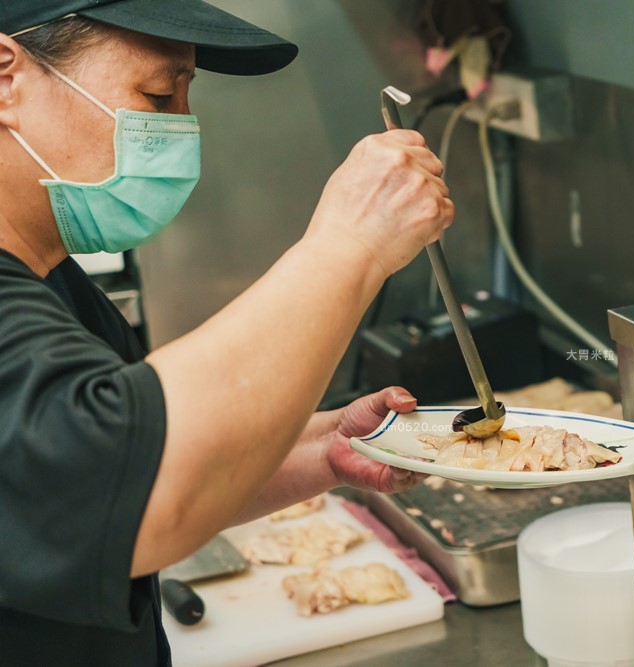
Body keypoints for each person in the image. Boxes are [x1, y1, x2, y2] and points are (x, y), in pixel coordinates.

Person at [0, 1, 455, 664]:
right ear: (6, 80)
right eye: (157, 94)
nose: (180, 127)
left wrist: (322, 447)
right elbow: (129, 493)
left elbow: (150, 455)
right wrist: (351, 243)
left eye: (187, 93)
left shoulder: (54, 279)